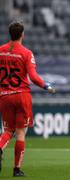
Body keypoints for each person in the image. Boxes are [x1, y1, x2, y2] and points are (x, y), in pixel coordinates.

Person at [0, 21, 55, 177]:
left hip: (4, 96)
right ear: (22, 34)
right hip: (21, 96)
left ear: (9, 33)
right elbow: (33, 77)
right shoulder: (26, 53)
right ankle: (17, 169)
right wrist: (46, 86)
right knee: (20, 133)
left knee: (8, 130)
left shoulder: (0, 51)